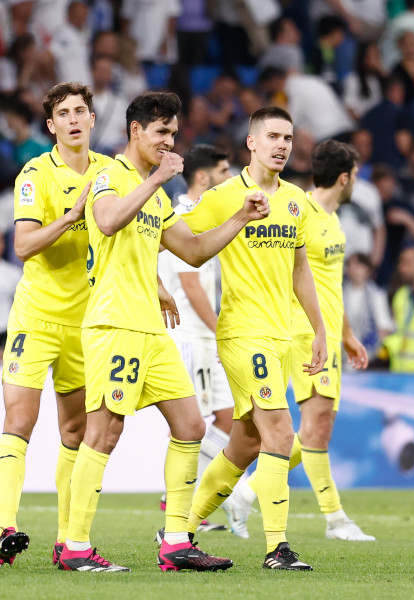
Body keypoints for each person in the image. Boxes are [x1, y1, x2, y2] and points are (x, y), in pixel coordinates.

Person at [59, 92, 270, 573]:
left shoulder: (153, 195)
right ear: (136, 131)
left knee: (192, 427)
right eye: (161, 133)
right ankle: (74, 546)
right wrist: (158, 176)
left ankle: (176, 542)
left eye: (174, 133)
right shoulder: (107, 175)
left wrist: (239, 217)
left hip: (150, 330)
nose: (170, 143)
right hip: (114, 324)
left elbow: (193, 251)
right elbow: (109, 222)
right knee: (104, 432)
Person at [180, 106, 328, 571]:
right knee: (282, 432)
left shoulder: (297, 201)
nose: (282, 145)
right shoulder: (225, 196)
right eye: (273, 137)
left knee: (245, 444)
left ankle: (177, 531)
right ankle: (277, 548)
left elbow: (301, 271)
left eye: (288, 137)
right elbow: (179, 237)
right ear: (252, 143)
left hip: (282, 335)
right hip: (243, 333)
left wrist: (319, 328)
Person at [0, 82, 116, 567]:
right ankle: (6, 528)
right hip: (37, 318)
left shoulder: (111, 171)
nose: (73, 119)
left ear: (91, 119)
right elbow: (22, 246)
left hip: (87, 323)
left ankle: (67, 541)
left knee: (74, 432)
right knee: (20, 420)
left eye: (80, 111)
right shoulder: (35, 174)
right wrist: (70, 217)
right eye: (63, 113)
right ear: (51, 126)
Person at [226, 140, 373, 541]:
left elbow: (328, 285)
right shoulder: (300, 209)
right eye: (355, 175)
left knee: (313, 431)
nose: (355, 181)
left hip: (326, 332)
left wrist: (346, 334)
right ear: (344, 177)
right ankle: (336, 519)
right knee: (318, 427)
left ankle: (246, 492)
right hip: (302, 331)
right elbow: (290, 274)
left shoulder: (334, 218)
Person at [157, 144, 234, 531]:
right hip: (188, 334)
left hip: (205, 336)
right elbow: (190, 284)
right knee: (192, 424)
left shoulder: (204, 215)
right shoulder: (181, 217)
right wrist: (222, 330)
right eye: (223, 171)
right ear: (202, 177)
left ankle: (190, 503)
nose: (230, 178)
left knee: (228, 418)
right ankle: (177, 501)